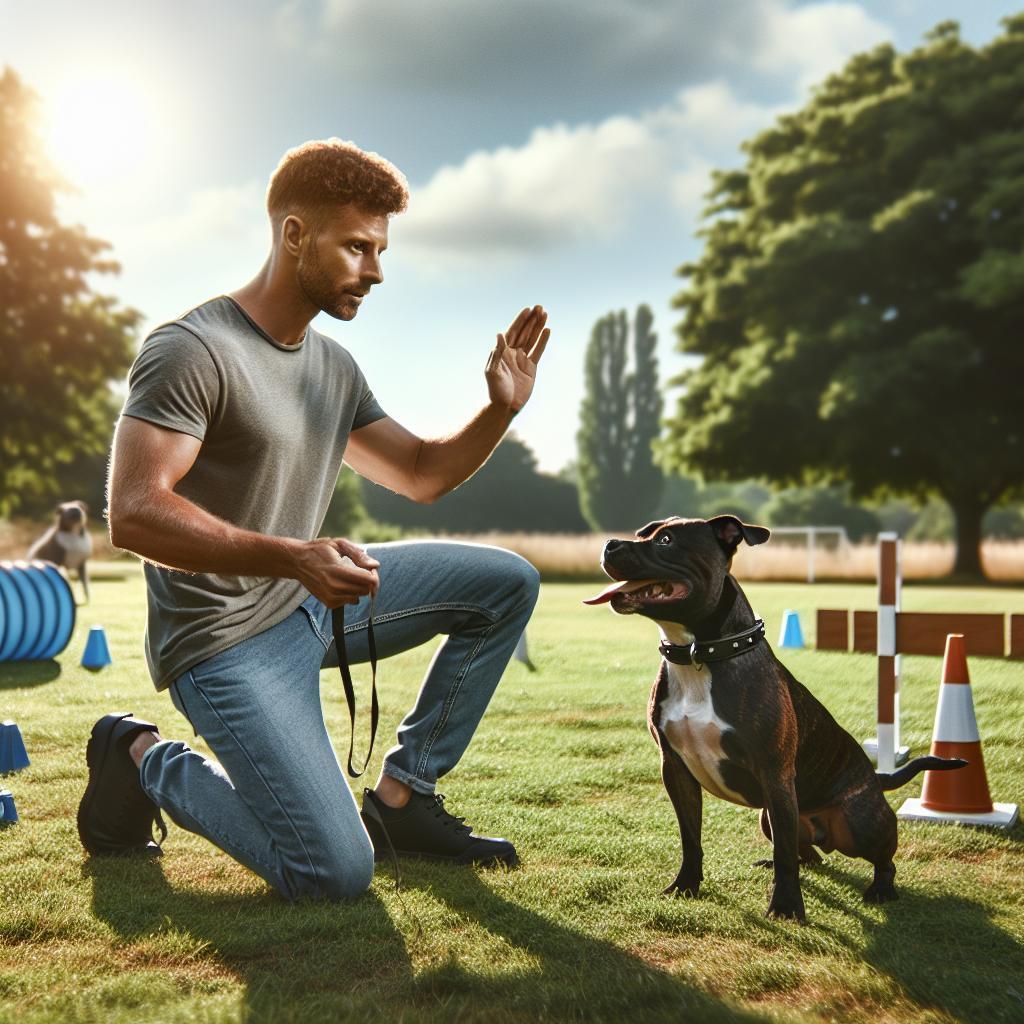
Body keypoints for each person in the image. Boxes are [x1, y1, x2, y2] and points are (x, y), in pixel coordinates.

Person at [76, 138, 550, 901]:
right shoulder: (193, 350)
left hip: (308, 600)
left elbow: (422, 474)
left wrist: (499, 411)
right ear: (294, 233)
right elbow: (133, 514)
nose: (376, 270)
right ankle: (138, 755)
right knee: (332, 871)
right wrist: (294, 557)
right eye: (357, 247)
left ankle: (405, 798)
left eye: (381, 249)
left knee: (506, 583)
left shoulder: (334, 366)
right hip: (224, 644)